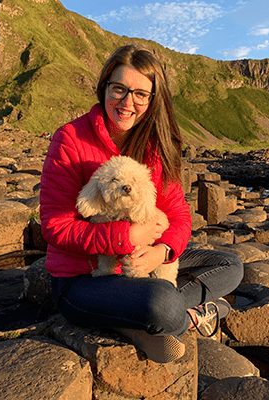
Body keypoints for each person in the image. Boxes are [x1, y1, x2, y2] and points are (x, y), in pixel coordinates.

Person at [40, 44, 243, 363]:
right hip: (83, 278)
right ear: (104, 86)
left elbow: (178, 215)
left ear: (153, 99)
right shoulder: (70, 139)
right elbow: (55, 227)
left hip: (147, 257)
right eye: (118, 89)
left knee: (231, 265)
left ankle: (141, 319)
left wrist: (160, 252)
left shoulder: (156, 144)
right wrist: (125, 237)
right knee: (161, 303)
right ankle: (179, 317)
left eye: (140, 94)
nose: (127, 102)